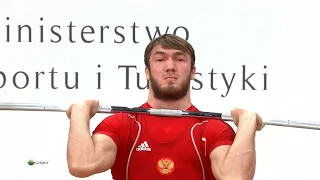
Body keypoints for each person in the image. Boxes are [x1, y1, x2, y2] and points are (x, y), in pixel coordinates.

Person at [66, 34, 265, 180]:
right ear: (147, 72)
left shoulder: (212, 128)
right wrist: (80, 113)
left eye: (179, 59)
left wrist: (247, 125)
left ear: (193, 71)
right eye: (160, 59)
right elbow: (81, 165)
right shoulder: (123, 124)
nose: (170, 66)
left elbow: (236, 177)